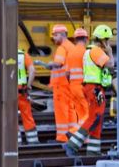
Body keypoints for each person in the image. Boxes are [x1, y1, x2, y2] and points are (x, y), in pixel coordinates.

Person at [65, 25, 115, 157]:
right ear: (103, 40)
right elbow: (110, 65)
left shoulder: (89, 51)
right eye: (108, 40)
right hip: (95, 89)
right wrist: (109, 52)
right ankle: (72, 144)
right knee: (95, 118)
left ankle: (93, 151)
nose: (108, 43)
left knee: (97, 119)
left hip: (92, 88)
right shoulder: (96, 51)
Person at [43, 24, 76, 142]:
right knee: (71, 110)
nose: (54, 38)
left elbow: (58, 63)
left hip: (61, 85)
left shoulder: (62, 48)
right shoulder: (72, 46)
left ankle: (62, 137)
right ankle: (73, 134)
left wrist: (48, 65)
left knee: (61, 110)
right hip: (70, 84)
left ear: (62, 35)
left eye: (55, 35)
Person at [66, 28, 89, 133]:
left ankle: (82, 138)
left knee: (80, 113)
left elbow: (67, 73)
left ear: (75, 40)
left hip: (73, 87)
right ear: (86, 39)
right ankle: (73, 132)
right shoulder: (86, 53)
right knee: (88, 114)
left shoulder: (70, 53)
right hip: (83, 87)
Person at [17, 48, 39, 145]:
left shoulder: (3, 55)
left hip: (8, 91)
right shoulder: (22, 55)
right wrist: (29, 85)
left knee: (10, 116)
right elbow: (32, 70)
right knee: (27, 115)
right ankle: (33, 141)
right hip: (22, 90)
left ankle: (16, 142)